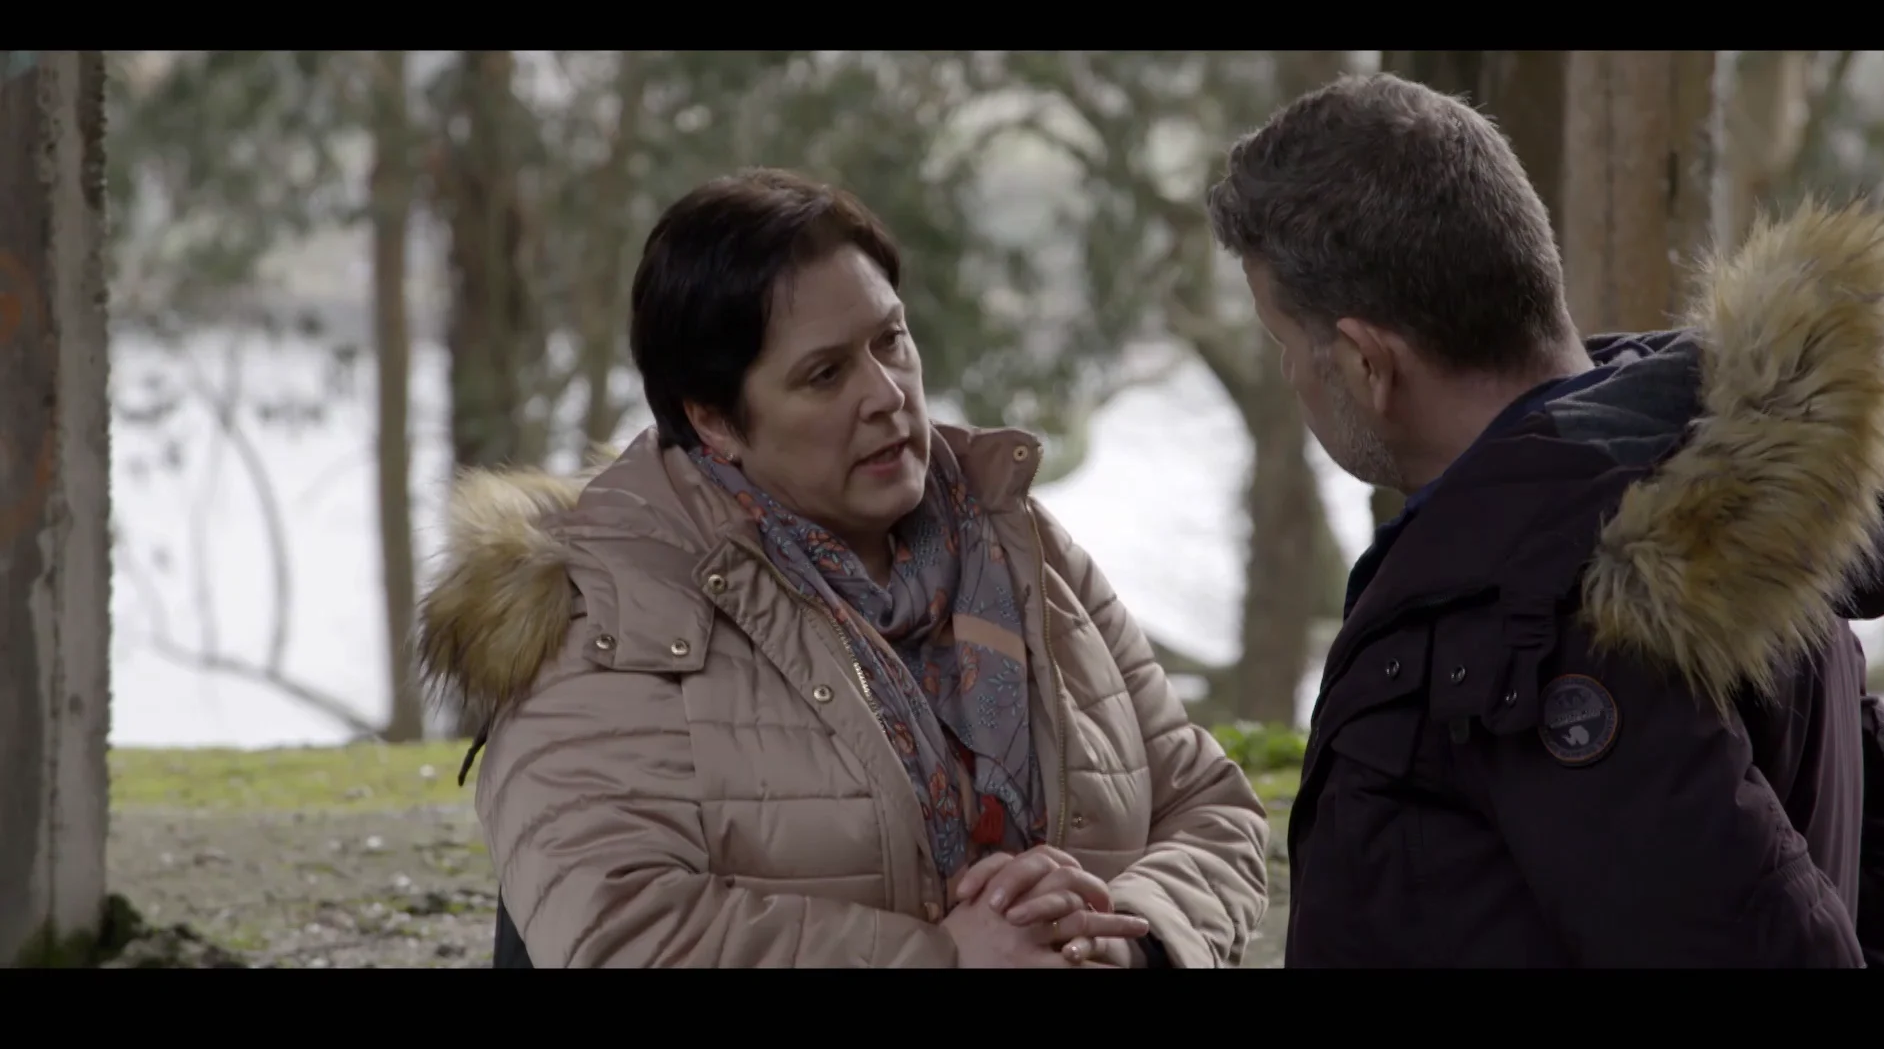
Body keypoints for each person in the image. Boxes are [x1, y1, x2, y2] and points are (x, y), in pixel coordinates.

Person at [416, 166, 1270, 968]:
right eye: (825, 375)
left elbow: (1210, 810)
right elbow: (617, 926)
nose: (886, 393)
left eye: (891, 341)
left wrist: (1118, 933)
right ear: (714, 420)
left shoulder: (1020, 546)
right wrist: (943, 959)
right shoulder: (608, 607)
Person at [1204, 71, 1884, 967]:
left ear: (1363, 364)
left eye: (1284, 345)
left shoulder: (1543, 626)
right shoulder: (1721, 484)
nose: (1289, 376)